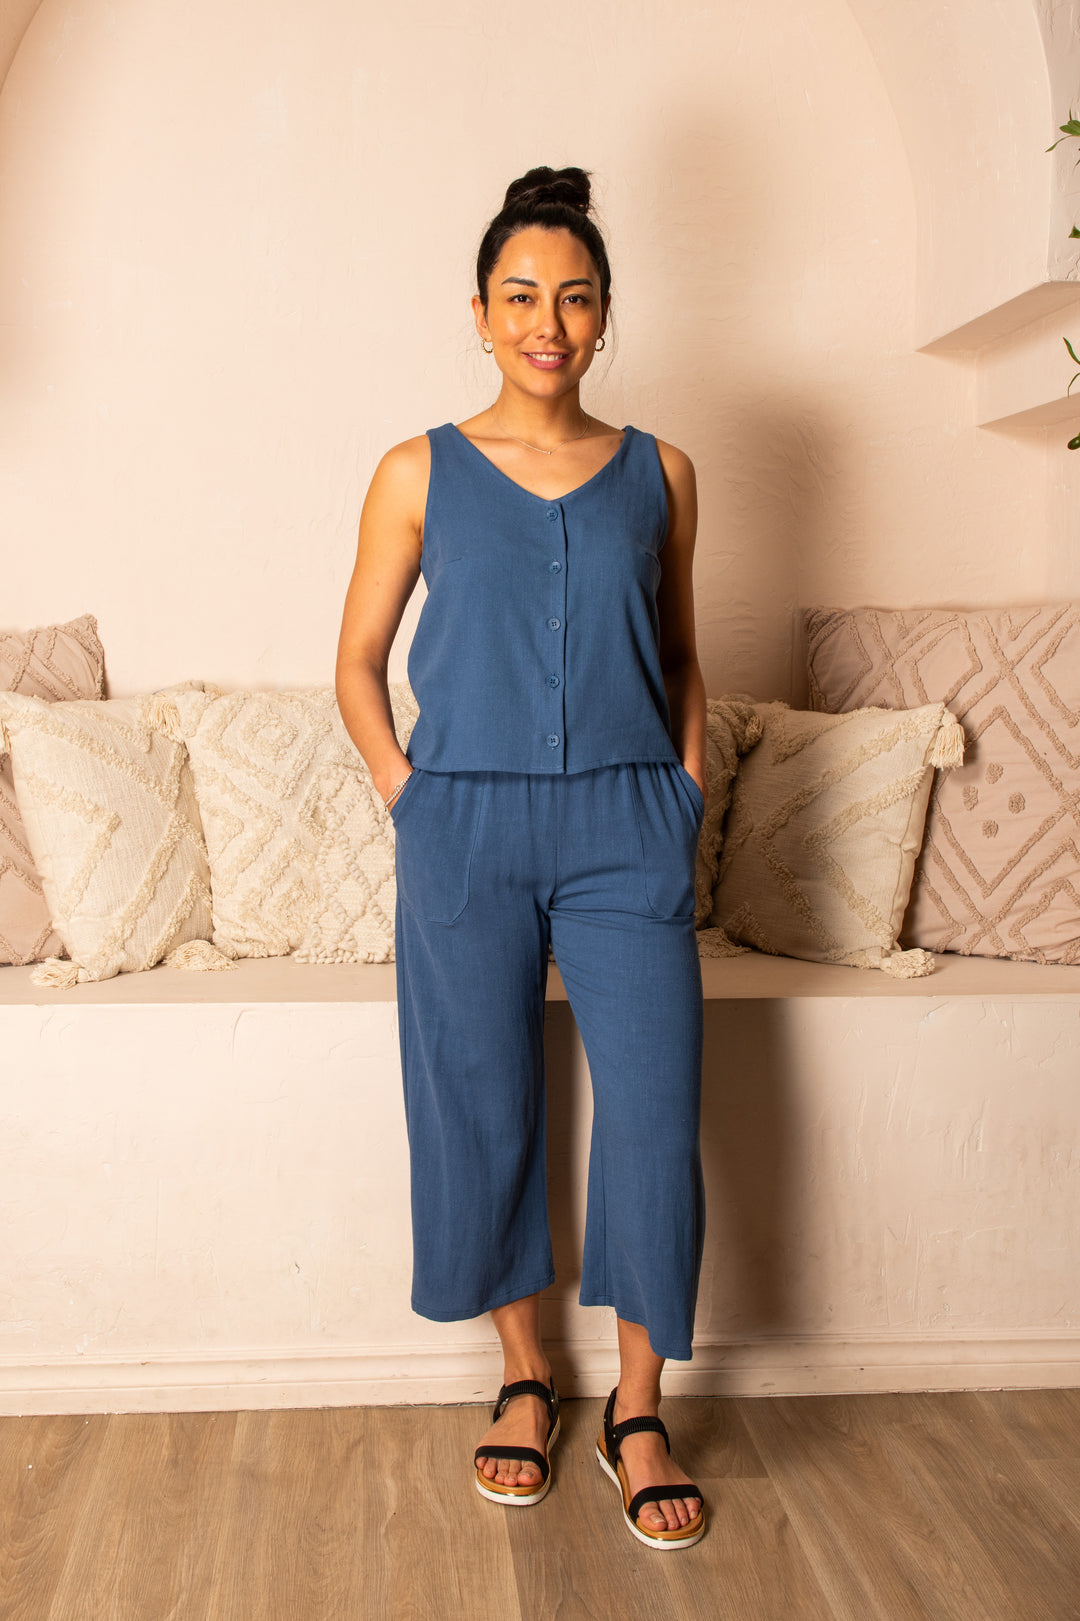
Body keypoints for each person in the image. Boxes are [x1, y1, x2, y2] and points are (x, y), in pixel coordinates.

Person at [335, 165, 709, 1550]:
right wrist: (412, 796)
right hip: (465, 828)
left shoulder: (661, 472)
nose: (548, 322)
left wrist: (683, 787)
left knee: (655, 1111)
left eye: (575, 297)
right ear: (481, 313)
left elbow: (681, 653)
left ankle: (639, 1408)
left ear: (606, 315)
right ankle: (525, 1377)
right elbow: (357, 663)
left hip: (628, 826)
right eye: (521, 296)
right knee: (480, 1102)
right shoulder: (415, 470)